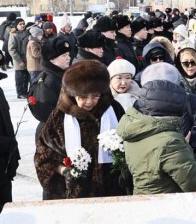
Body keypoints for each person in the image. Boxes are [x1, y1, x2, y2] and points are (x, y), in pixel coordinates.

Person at [34, 60, 125, 199]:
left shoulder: (114, 110)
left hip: (111, 190)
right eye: (82, 97)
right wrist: (65, 171)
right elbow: (44, 158)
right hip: (73, 194)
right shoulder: (59, 117)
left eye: (95, 96)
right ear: (72, 94)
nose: (89, 102)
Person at [116, 63, 196, 195]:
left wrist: (183, 145)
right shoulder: (170, 142)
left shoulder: (134, 127)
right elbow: (195, 183)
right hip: (166, 205)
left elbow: (155, 157)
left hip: (142, 200)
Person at [32, 36, 72, 142]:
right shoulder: (48, 81)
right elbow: (45, 113)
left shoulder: (63, 75)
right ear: (52, 59)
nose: (69, 58)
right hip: (52, 134)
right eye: (64, 55)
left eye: (68, 54)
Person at [0, 72, 19, 212]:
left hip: (4, 164)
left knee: (6, 211)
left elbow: (7, 125)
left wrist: (14, 156)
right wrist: (7, 143)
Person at [8, 18, 31, 98]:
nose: (22, 25)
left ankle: (25, 91)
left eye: (23, 23)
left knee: (26, 77)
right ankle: (20, 93)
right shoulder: (14, 35)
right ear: (16, 26)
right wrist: (19, 60)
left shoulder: (27, 33)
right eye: (20, 24)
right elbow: (12, 49)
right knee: (20, 78)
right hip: (19, 60)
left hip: (27, 59)